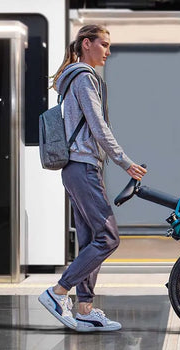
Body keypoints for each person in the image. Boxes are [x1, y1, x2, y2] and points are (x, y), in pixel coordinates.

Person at [38, 24, 147, 332]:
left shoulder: (71, 78)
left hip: (76, 169)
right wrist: (124, 161)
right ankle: (58, 292)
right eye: (104, 44)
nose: (108, 52)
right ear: (87, 44)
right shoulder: (85, 78)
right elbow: (98, 126)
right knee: (108, 237)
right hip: (83, 166)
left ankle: (84, 308)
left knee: (90, 240)